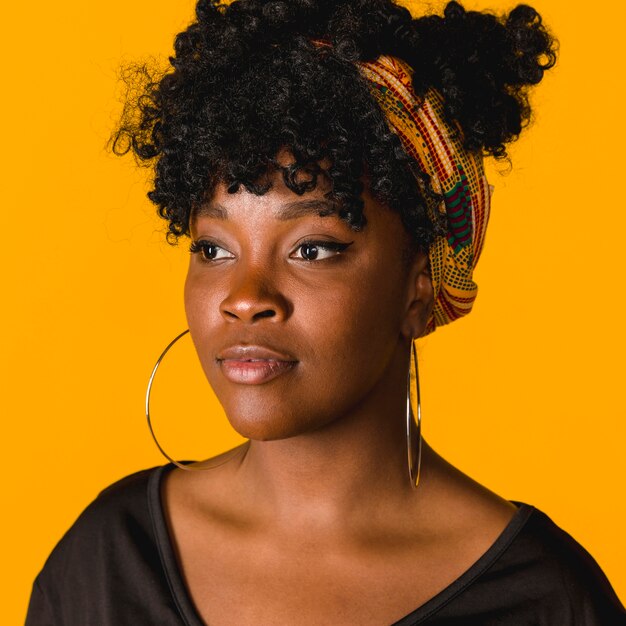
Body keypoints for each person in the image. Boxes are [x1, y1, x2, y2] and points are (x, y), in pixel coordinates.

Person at [25, 0, 625, 624]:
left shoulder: (546, 602)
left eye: (313, 249)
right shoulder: (107, 561)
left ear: (419, 285)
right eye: (213, 248)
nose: (245, 296)